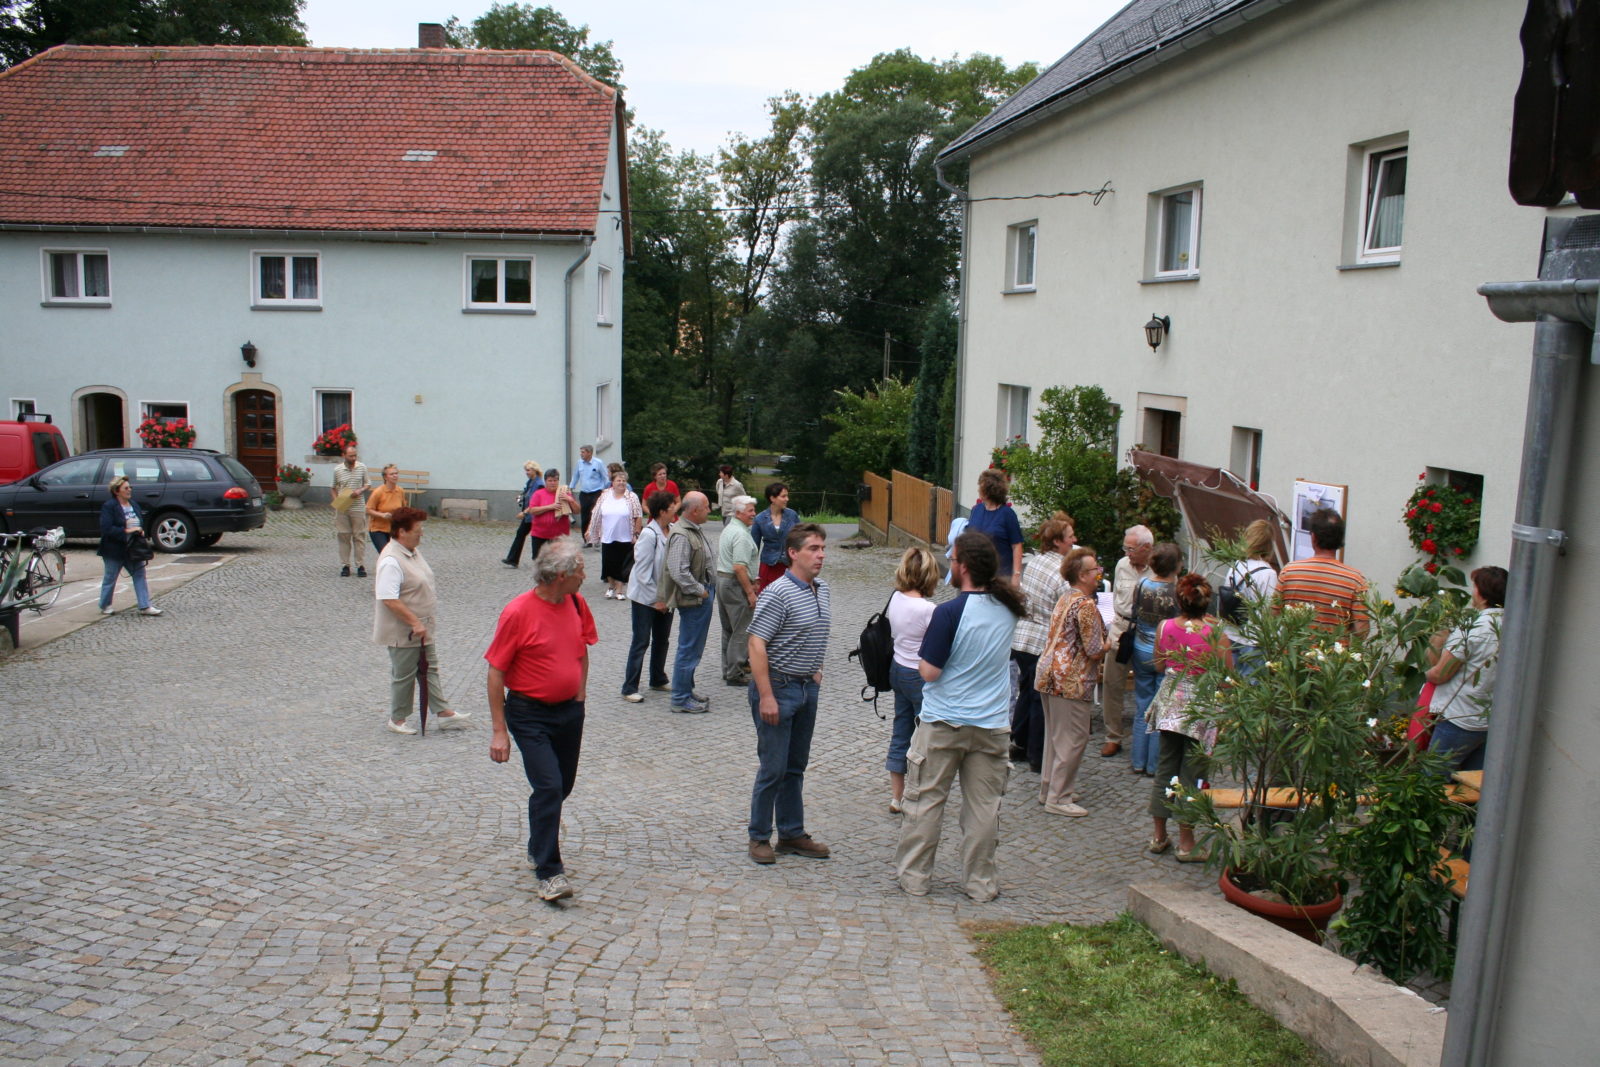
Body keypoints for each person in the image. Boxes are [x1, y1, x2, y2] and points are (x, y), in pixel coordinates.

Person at [895, 532, 1028, 903]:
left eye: (952, 560)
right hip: (992, 725)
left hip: (944, 723)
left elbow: (929, 672)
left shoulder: (949, 612)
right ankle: (980, 883)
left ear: (963, 567)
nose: (947, 565)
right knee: (984, 810)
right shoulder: (1008, 608)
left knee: (925, 802)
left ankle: (916, 877)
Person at [486, 538, 597, 902]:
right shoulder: (517, 613)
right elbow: (496, 672)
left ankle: (538, 842)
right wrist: (499, 731)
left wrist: (579, 697)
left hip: (569, 711)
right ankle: (550, 872)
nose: (585, 575)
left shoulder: (577, 603)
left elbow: (582, 651)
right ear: (561, 575)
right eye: (580, 569)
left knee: (561, 786)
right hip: (529, 713)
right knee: (549, 786)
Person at [746, 523, 832, 865]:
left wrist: (816, 669)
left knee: (796, 766)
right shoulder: (777, 592)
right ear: (793, 553)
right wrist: (766, 695)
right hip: (778, 688)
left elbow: (815, 631)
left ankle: (792, 833)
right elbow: (756, 644)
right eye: (813, 548)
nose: (821, 554)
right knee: (773, 768)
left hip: (806, 688)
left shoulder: (821, 589)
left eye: (823, 548)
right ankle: (759, 837)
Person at [1148, 573, 1231, 861]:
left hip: (1170, 705)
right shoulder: (1216, 632)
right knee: (1193, 774)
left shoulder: (1165, 627)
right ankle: (1186, 842)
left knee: (1165, 769)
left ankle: (1159, 836)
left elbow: (1159, 665)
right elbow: (1225, 677)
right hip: (1201, 709)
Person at [374, 506, 471, 735]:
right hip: (404, 630)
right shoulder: (390, 560)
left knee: (430, 669)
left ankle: (443, 712)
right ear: (401, 532)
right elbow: (388, 598)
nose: (422, 533)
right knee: (404, 673)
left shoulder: (412, 551)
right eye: (418, 529)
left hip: (422, 627)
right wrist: (414, 622)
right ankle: (397, 719)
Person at [1034, 546, 1106, 817]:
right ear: (1082, 575)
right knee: (1073, 738)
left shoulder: (1066, 597)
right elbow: (1094, 648)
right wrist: (1111, 642)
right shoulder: (1085, 605)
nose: (1098, 573)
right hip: (1070, 680)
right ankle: (1059, 797)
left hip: (1049, 673)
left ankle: (1049, 788)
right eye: (1094, 570)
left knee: (1055, 738)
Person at [1423, 565, 1507, 773]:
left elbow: (1440, 673)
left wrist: (1424, 674)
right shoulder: (1514, 624)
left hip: (1460, 718)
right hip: (1493, 720)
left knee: (1431, 781)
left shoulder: (1474, 628)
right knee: (1473, 786)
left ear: (1480, 592)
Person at [1009, 512, 1075, 771]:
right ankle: (1038, 755)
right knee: (1040, 699)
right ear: (1058, 541)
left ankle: (1020, 743)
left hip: (1022, 638)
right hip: (1041, 642)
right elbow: (1064, 614)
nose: (1074, 540)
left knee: (1026, 691)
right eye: (1070, 537)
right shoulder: (1062, 575)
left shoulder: (1035, 562)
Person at [886, 546, 940, 814]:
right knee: (926, 736)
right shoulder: (929, 609)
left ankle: (897, 796)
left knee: (901, 731)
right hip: (918, 676)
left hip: (897, 669)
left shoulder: (895, 598)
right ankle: (921, 791)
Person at [659, 490, 716, 713]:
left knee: (694, 648)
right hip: (694, 600)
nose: (709, 510)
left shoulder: (693, 530)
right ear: (694, 510)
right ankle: (680, 698)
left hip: (700, 597)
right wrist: (700, 591)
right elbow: (678, 571)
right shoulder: (682, 534)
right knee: (689, 648)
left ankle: (686, 690)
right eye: (706, 507)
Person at [1130, 542, 1182, 777]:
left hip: (1140, 646)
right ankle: (1154, 765)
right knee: (1161, 708)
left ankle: (1138, 760)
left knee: (1142, 704)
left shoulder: (1142, 584)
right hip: (1165, 652)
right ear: (1176, 566)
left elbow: (1134, 611)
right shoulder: (1176, 591)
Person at [1101, 526, 1154, 757]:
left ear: (1147, 548)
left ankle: (1147, 739)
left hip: (1147, 631)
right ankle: (1113, 736)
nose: (1127, 552)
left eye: (1131, 548)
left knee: (1147, 686)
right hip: (1121, 629)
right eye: (1125, 548)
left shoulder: (1159, 568)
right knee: (1112, 685)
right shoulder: (1122, 565)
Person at [621, 491, 677, 703]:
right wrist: (656, 600)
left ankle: (658, 678)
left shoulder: (671, 531)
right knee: (641, 640)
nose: (675, 510)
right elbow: (642, 572)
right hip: (645, 598)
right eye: (672, 507)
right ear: (662, 511)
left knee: (662, 639)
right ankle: (629, 687)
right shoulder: (649, 534)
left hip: (665, 596)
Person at [1277, 508, 1368, 634]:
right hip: (1333, 652)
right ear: (1340, 538)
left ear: (1313, 537)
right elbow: (1362, 629)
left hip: (1293, 651)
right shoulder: (1355, 579)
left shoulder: (1289, 572)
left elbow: (1273, 616)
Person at [1220, 518, 1279, 675]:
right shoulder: (1268, 574)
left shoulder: (1237, 565)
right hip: (1254, 640)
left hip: (1232, 633)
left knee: (1232, 682)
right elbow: (1269, 612)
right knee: (1251, 687)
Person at [97, 475, 161, 616]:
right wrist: (126, 530)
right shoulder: (110, 506)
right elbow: (106, 528)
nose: (129, 490)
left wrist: (140, 530)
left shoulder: (133, 504)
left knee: (139, 574)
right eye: (126, 488)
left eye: (130, 487)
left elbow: (139, 521)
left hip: (132, 547)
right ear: (117, 491)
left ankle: (145, 605)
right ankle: (105, 604)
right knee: (110, 577)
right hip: (114, 548)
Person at [716, 494, 760, 686]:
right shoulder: (741, 534)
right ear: (740, 512)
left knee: (728, 629)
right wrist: (750, 592)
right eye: (750, 511)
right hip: (735, 584)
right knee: (741, 630)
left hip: (722, 581)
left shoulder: (730, 528)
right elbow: (739, 567)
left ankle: (728, 669)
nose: (754, 514)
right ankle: (735, 673)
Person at [585, 469, 642, 600]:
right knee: (608, 563)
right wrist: (591, 529)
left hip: (625, 536)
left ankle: (620, 589)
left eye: (623, 481)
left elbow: (638, 516)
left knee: (622, 563)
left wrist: (636, 533)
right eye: (618, 480)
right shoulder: (604, 495)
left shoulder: (631, 497)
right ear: (612, 483)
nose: (621, 483)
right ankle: (611, 586)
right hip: (607, 535)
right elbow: (596, 514)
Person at [965, 468, 1024, 581]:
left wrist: (1016, 575)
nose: (978, 489)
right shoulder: (976, 510)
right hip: (977, 574)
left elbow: (1017, 545)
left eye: (980, 486)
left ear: (989, 490)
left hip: (1000, 576)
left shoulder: (1007, 514)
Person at [750, 481, 799, 592]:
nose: (787, 499)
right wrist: (752, 575)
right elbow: (753, 548)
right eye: (783, 496)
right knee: (767, 597)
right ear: (772, 498)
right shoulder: (760, 518)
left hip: (789, 566)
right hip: (768, 566)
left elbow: (801, 541)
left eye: (787, 495)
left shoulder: (792, 515)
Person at [331, 442, 369, 577]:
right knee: (344, 535)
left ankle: (360, 565)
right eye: (351, 456)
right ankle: (345, 565)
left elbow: (367, 484)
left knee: (359, 536)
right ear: (344, 455)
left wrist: (360, 490)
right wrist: (336, 502)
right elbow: (333, 487)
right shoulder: (338, 470)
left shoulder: (362, 467)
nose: (353, 458)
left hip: (358, 506)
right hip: (343, 506)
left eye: (355, 456)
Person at [524, 468, 576, 562]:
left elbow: (577, 511)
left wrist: (571, 500)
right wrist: (550, 507)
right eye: (550, 481)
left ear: (558, 481)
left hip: (559, 536)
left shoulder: (564, 493)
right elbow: (532, 510)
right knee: (539, 562)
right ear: (545, 481)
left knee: (559, 563)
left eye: (555, 480)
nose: (553, 483)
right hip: (540, 535)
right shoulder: (538, 494)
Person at [502, 460, 542, 568]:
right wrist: (521, 497)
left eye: (528, 470)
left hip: (534, 515)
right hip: (529, 515)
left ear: (534, 470)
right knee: (521, 534)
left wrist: (524, 513)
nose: (526, 472)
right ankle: (513, 559)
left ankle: (539, 560)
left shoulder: (538, 484)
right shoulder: (531, 482)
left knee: (537, 537)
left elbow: (535, 502)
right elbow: (527, 495)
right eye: (526, 470)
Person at [568, 445, 607, 546]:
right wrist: (571, 487)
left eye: (583, 452)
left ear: (590, 453)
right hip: (584, 493)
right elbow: (575, 476)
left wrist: (604, 490)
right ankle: (586, 540)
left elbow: (605, 477)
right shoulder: (579, 463)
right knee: (585, 517)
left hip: (596, 492)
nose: (581, 454)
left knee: (595, 515)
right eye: (581, 452)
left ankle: (597, 538)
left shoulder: (598, 463)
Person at [366, 464, 405, 554]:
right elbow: (368, 509)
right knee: (385, 553)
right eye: (392, 474)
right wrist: (382, 515)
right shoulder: (378, 492)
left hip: (394, 529)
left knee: (396, 554)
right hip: (378, 529)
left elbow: (403, 508)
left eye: (396, 473)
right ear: (385, 477)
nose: (395, 476)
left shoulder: (400, 491)